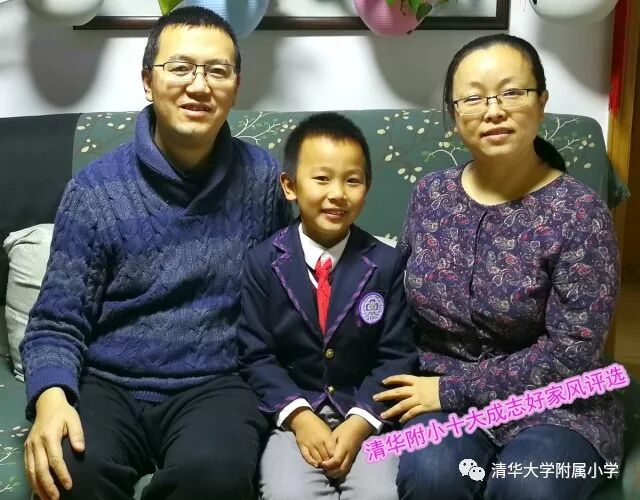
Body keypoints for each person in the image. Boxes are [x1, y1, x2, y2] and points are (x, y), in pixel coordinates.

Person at [20, 6, 291, 500]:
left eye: (217, 71)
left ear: (236, 86)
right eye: (180, 67)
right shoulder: (94, 191)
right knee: (69, 474)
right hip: (108, 382)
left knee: (216, 476)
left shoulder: (263, 180)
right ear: (148, 81)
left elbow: (286, 293)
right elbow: (56, 321)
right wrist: (51, 397)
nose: (199, 86)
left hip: (217, 382)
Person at [374, 34, 623, 499]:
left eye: (511, 92)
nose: (493, 111)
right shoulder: (431, 194)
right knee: (430, 476)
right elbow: (396, 302)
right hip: (439, 394)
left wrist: (449, 391)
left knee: (529, 487)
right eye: (473, 98)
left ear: (541, 101)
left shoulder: (581, 214)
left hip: (555, 405)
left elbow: (573, 354)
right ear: (454, 115)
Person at [237, 112, 417, 500]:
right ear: (290, 186)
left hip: (365, 417)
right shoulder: (262, 262)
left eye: (352, 180)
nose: (337, 193)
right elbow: (256, 355)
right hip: (293, 418)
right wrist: (299, 416)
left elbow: (396, 355)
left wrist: (361, 421)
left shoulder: (386, 263)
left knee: (380, 495)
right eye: (322, 179)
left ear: (367, 188)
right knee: (288, 494)